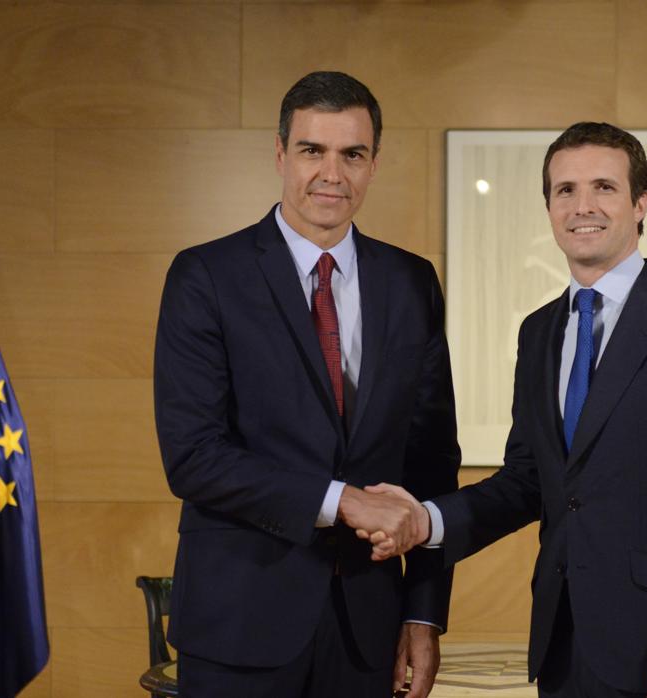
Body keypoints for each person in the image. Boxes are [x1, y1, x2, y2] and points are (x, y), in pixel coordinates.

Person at [369, 122, 647, 697]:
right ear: (550, 207)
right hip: (564, 647)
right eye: (565, 190)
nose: (584, 206)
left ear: (640, 204)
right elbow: (529, 481)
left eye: (604, 187)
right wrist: (426, 520)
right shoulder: (540, 332)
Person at [153, 71, 460, 698]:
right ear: (279, 154)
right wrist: (343, 500)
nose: (332, 173)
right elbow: (193, 457)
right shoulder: (206, 275)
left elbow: (431, 463)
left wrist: (423, 613)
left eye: (353, 154)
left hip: (367, 628)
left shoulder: (411, 283)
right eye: (312, 150)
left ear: (375, 163)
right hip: (238, 623)